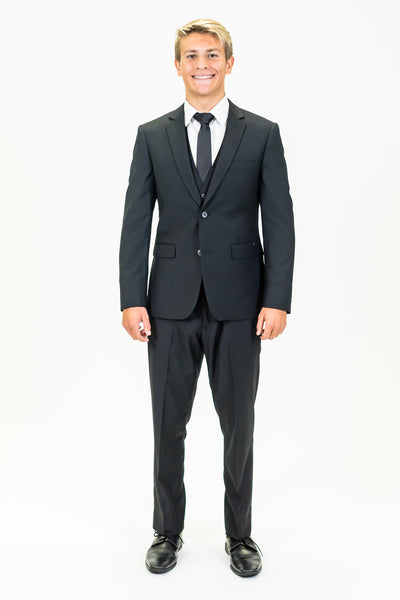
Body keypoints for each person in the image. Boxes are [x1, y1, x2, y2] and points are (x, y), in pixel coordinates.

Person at [119, 18, 295, 578]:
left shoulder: (262, 133)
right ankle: (166, 531)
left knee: (237, 423)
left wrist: (278, 299)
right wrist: (131, 296)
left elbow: (281, 222)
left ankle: (239, 536)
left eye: (212, 54)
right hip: (167, 303)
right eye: (191, 55)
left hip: (241, 304)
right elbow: (134, 222)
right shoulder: (152, 135)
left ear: (229, 62)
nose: (202, 63)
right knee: (167, 422)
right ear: (177, 65)